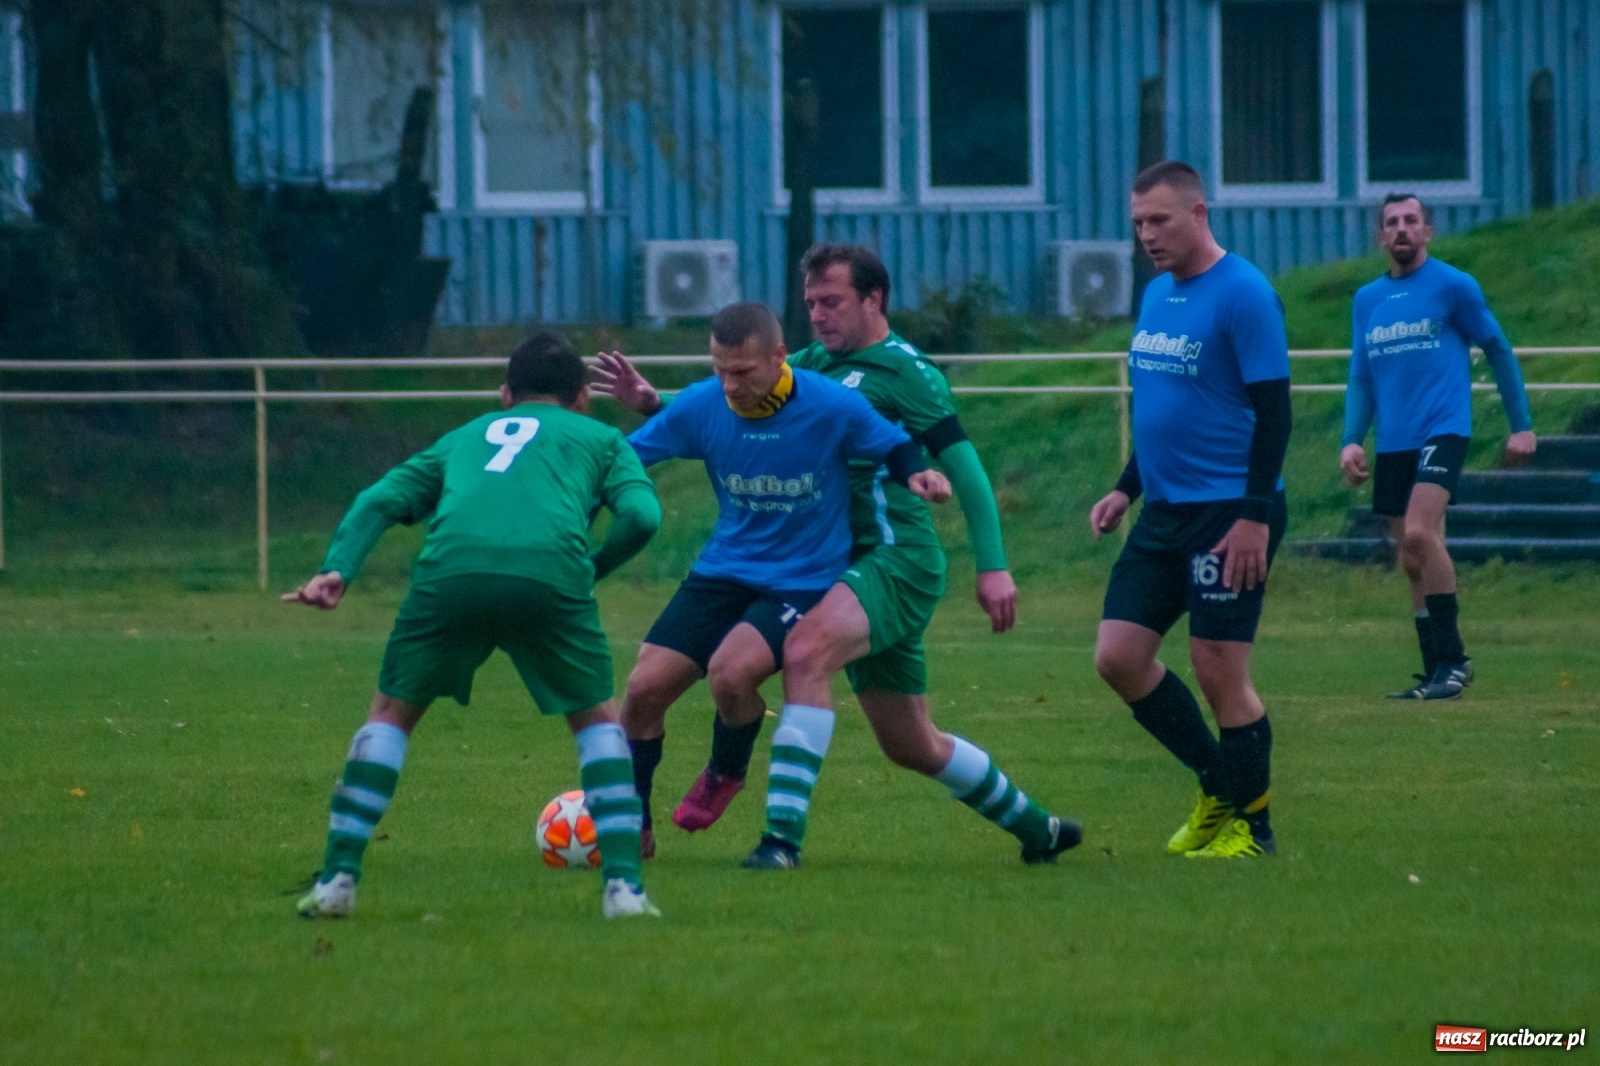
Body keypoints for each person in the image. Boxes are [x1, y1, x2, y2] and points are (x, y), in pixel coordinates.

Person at [284, 331, 664, 919]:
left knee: (390, 716)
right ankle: (623, 890)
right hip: (551, 576)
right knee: (596, 724)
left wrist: (338, 568)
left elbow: (379, 499)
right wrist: (592, 569)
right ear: (583, 397)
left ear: (505, 395)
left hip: (451, 574)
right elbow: (642, 516)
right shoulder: (602, 437)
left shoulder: (464, 437)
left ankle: (338, 882)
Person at [737, 243, 1079, 870]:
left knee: (805, 654)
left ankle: (780, 842)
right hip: (841, 567)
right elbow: (732, 408)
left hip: (897, 560)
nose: (816, 314)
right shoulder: (811, 364)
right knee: (912, 744)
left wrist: (994, 564)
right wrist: (658, 406)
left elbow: (967, 469)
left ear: (874, 299)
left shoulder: (906, 371)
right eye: (810, 302)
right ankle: (1040, 829)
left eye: (831, 301)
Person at [590, 301, 953, 858]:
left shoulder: (829, 403)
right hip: (724, 570)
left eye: (742, 372)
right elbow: (628, 459)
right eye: (719, 370)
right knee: (642, 691)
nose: (730, 385)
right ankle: (634, 823)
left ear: (779, 357)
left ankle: (725, 770)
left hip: (803, 578)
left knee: (731, 675)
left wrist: (920, 473)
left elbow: (893, 444)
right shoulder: (706, 405)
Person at [1088, 161, 1292, 860]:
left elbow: (1274, 417)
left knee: (1217, 670)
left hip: (1229, 511)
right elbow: (1165, 409)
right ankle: (1216, 782)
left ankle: (1253, 828)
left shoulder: (1245, 295)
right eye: (1138, 222)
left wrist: (1255, 517)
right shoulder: (1156, 296)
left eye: (1159, 221)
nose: (1147, 235)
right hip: (1166, 514)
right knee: (1118, 656)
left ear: (1199, 213)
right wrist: (1125, 487)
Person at [1340, 193, 1535, 700]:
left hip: (1443, 429)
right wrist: (1350, 441)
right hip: (1395, 441)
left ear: (1428, 231)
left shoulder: (1453, 287)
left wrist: (1522, 425)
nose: (1401, 229)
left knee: (1421, 532)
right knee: (1409, 556)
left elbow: (1497, 348)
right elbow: (1361, 375)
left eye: (1411, 221)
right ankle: (1434, 671)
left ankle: (1454, 663)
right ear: (1381, 237)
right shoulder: (1368, 300)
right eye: (1391, 223)